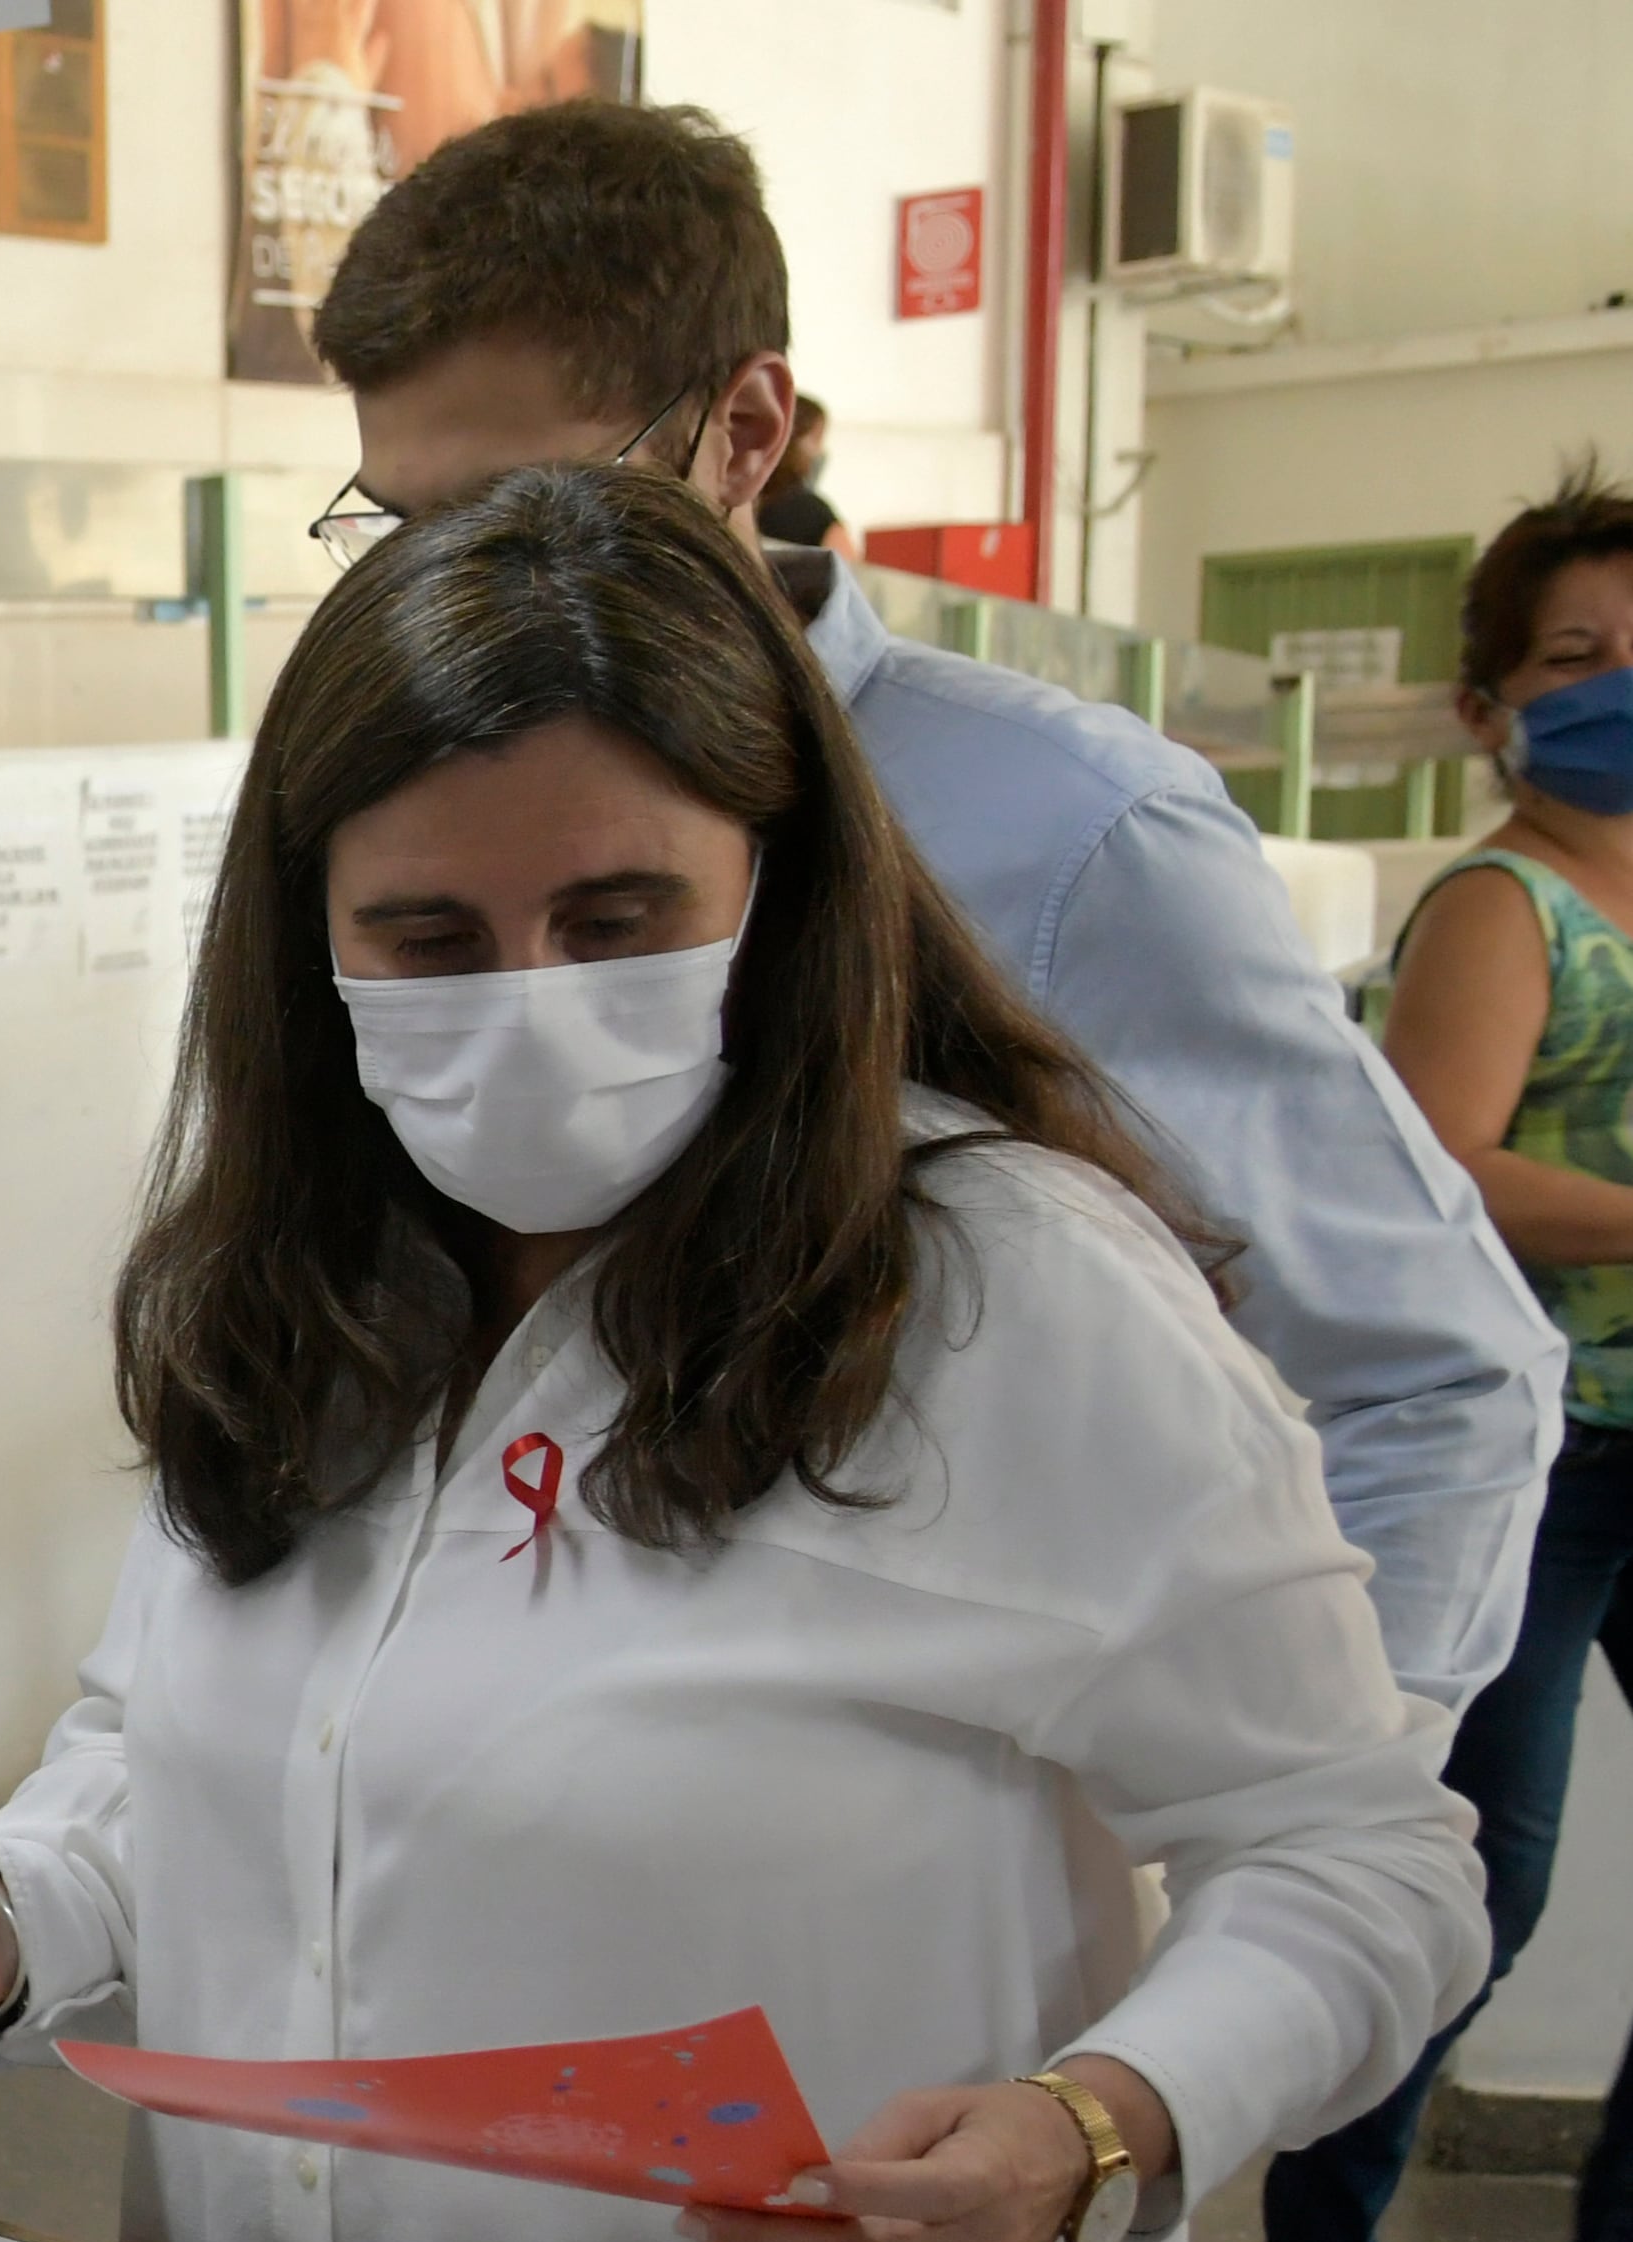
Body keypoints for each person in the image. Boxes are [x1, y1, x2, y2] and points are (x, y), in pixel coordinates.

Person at [0, 469, 1487, 2242]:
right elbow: (197, 1745)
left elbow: (1361, 1860)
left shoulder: (1007, 1295)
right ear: (306, 941)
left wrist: (1093, 2131)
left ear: (777, 885)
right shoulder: (295, 1289)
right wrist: (10, 1908)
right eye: (424, 937)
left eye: (616, 918)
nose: (528, 1002)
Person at [307, 102, 1566, 1722]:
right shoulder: (380, 821)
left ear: (749, 428)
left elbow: (1434, 1375)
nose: (464, 594)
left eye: (533, 510)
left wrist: (1307, 1845)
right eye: (408, 532)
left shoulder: (1070, 834)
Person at [1228, 470, 1633, 2242]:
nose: (1619, 692)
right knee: (1484, 1875)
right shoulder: (1503, 906)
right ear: (1494, 706)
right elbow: (1441, 1173)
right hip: (1535, 1456)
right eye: (1577, 661)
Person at [752, 390, 861, 558]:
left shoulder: (737, 500)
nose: (820, 452)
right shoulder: (813, 512)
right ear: (789, 437)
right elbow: (851, 573)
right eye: (817, 438)